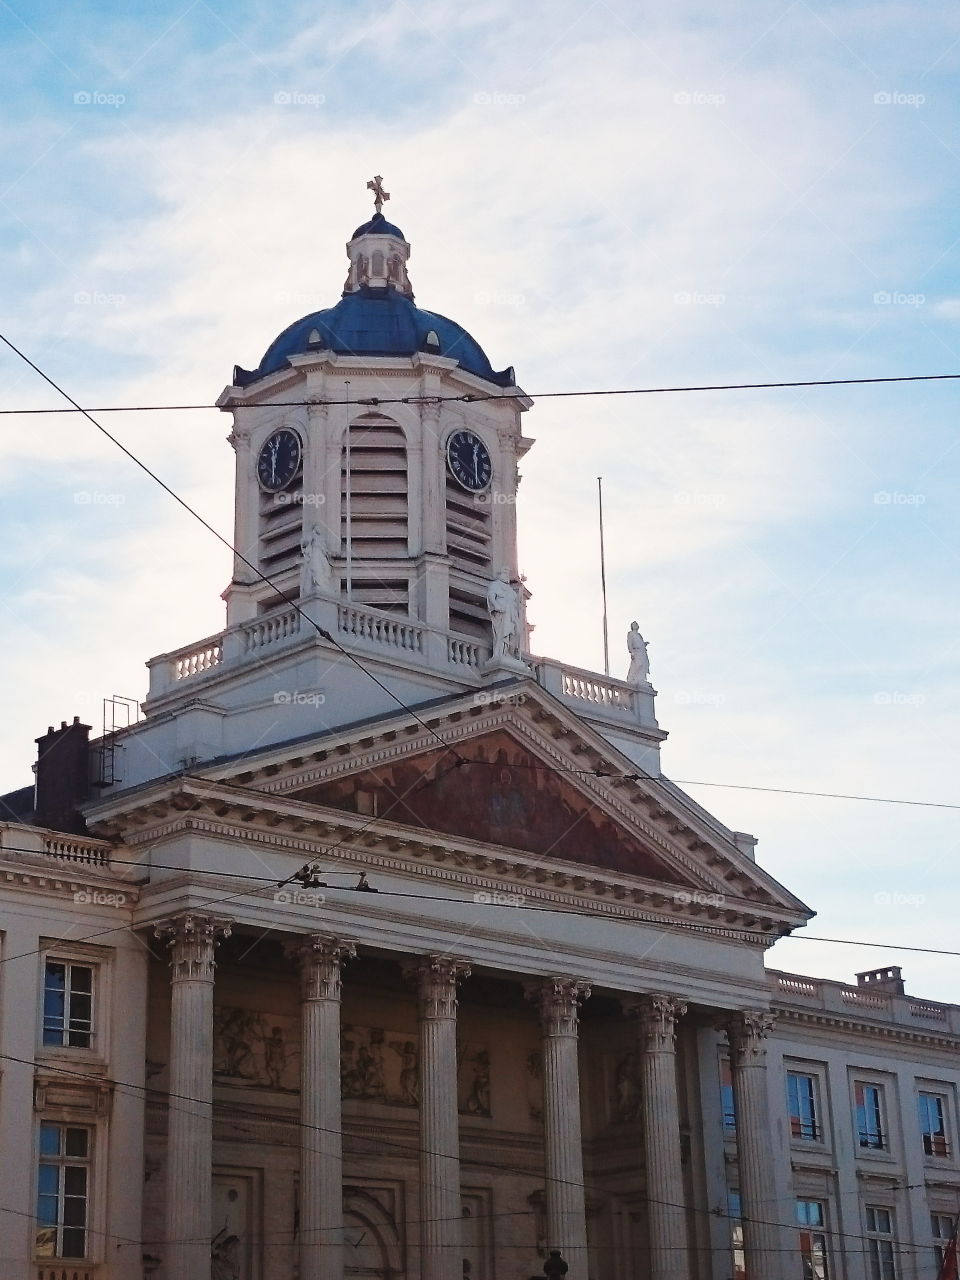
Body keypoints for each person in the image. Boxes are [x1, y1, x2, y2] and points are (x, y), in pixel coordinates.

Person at [487, 568, 522, 659]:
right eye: (504, 572)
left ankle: (510, 654)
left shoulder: (510, 590)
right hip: (502, 613)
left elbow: (515, 602)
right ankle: (501, 653)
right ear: (500, 574)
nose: (507, 574)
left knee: (515, 632)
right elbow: (491, 595)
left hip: (512, 615)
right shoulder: (495, 585)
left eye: (507, 573)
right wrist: (496, 605)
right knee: (503, 633)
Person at [626, 620, 650, 685]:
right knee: (637, 665)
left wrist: (644, 644)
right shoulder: (630, 633)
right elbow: (629, 643)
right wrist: (631, 652)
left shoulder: (639, 635)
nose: (636, 625)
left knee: (643, 665)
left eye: (636, 624)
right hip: (636, 651)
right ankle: (633, 679)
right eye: (634, 624)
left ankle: (640, 679)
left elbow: (640, 643)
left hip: (642, 651)